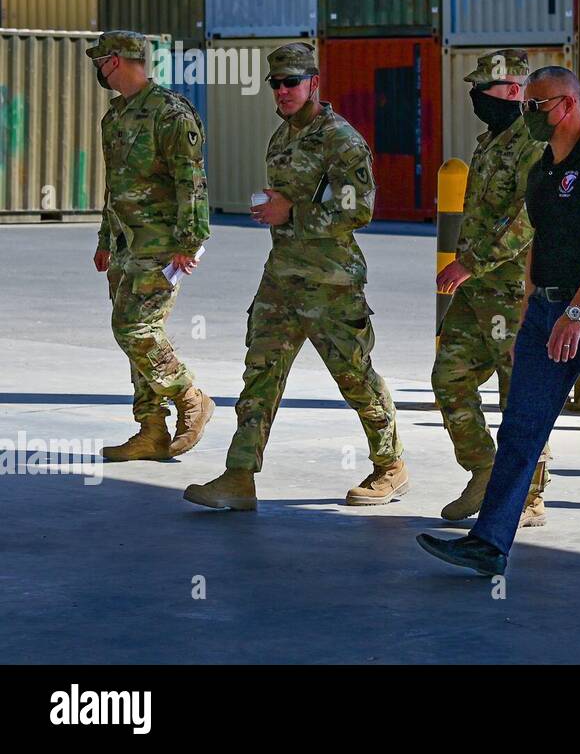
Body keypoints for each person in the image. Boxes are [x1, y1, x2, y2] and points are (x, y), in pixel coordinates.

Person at [417, 66, 580, 575]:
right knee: (521, 428)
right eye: (525, 106)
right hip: (547, 314)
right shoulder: (541, 169)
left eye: (537, 106)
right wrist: (532, 310)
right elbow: (537, 242)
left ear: (569, 104)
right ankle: (489, 543)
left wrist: (576, 311)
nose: (527, 115)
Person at [183, 42, 406, 511]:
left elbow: (359, 207)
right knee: (259, 376)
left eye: (292, 83)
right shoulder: (281, 136)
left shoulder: (341, 139)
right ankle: (239, 476)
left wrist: (291, 211)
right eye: (276, 84)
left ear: (314, 84)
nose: (283, 92)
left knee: (355, 378)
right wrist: (274, 209)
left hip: (332, 283)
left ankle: (390, 467)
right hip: (282, 278)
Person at [432, 49, 552, 527]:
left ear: (513, 92)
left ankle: (529, 497)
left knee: (521, 393)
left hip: (515, 291)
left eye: (484, 92)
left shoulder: (534, 145)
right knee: (449, 378)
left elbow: (527, 219)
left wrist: (469, 263)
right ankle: (485, 469)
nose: (476, 100)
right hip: (477, 290)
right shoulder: (490, 141)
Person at [88, 31, 214, 462]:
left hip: (163, 244)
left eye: (101, 59)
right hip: (126, 243)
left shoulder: (171, 114)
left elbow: (192, 183)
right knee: (134, 338)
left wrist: (190, 241)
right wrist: (106, 238)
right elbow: (115, 187)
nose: (98, 69)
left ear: (119, 60)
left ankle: (192, 397)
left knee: (133, 329)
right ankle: (151, 430)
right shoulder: (116, 117)